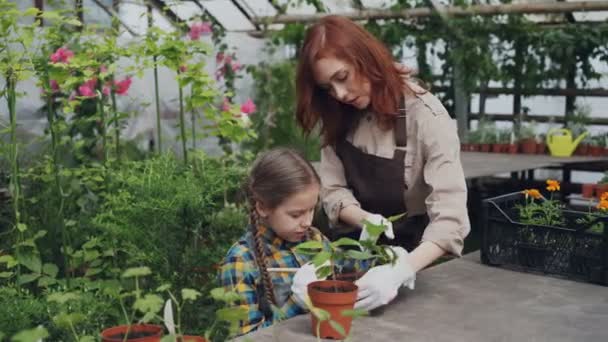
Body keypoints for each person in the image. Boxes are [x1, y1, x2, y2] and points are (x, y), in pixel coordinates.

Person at [295, 15, 471, 311]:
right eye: (328, 87)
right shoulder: (339, 113)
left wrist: (399, 271)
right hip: (352, 252)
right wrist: (364, 220)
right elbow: (332, 189)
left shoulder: (426, 116)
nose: (339, 94)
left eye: (342, 77)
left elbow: (450, 219)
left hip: (414, 262)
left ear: (366, 59)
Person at [219, 147, 357, 335]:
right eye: (296, 214)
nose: (307, 222)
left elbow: (345, 268)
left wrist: (383, 260)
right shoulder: (241, 262)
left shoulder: (315, 239)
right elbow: (246, 338)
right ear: (262, 207)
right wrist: (296, 302)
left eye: (311, 210)